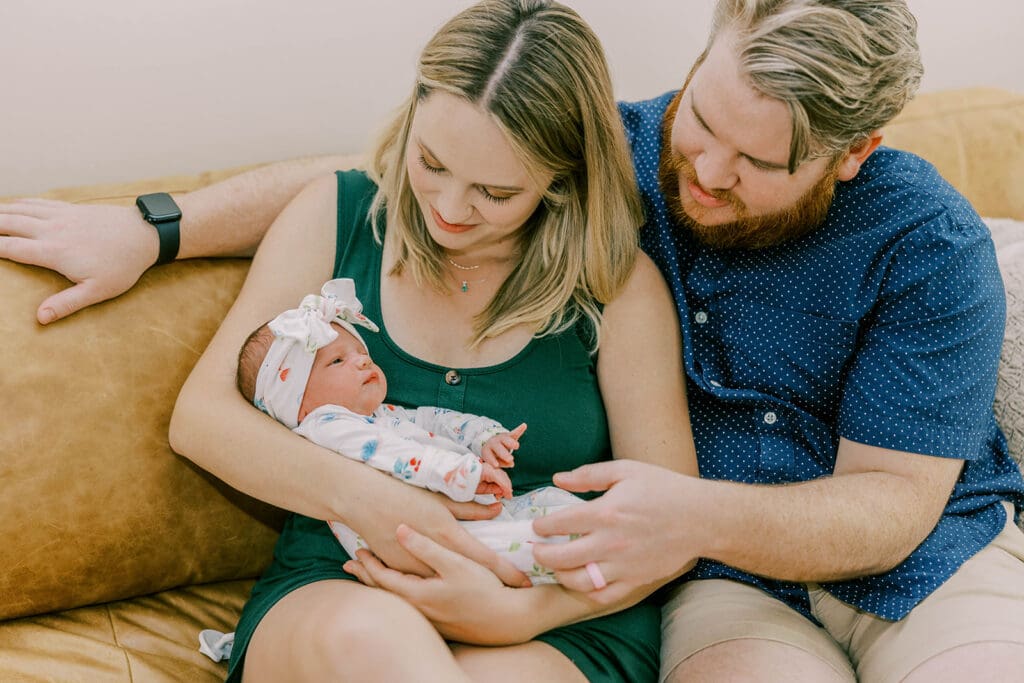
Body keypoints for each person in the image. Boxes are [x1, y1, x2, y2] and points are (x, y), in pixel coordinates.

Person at [5, 1, 1024, 681]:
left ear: (852, 155)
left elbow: (884, 506)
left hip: (904, 560)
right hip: (697, 583)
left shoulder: (921, 246)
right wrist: (159, 224)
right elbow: (391, 173)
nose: (701, 168)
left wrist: (526, 598)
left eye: (753, 160)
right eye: (699, 118)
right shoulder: (624, 153)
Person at [8, 1, 694, 681]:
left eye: (494, 191)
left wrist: (513, 614)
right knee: (376, 648)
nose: (451, 210)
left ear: (560, 177)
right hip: (343, 581)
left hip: (552, 609)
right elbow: (202, 418)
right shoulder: (335, 216)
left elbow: (674, 525)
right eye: (431, 162)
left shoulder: (619, 287)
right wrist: (370, 499)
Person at [237, 276, 584, 585]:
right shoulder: (327, 428)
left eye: (359, 351)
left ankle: (591, 548)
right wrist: (459, 474)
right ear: (298, 401)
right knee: (532, 548)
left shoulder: (381, 415)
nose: (363, 360)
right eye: (337, 361)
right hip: (430, 541)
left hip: (474, 514)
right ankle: (583, 569)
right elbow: (396, 457)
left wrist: (484, 437)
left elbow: (433, 420)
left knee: (556, 503)